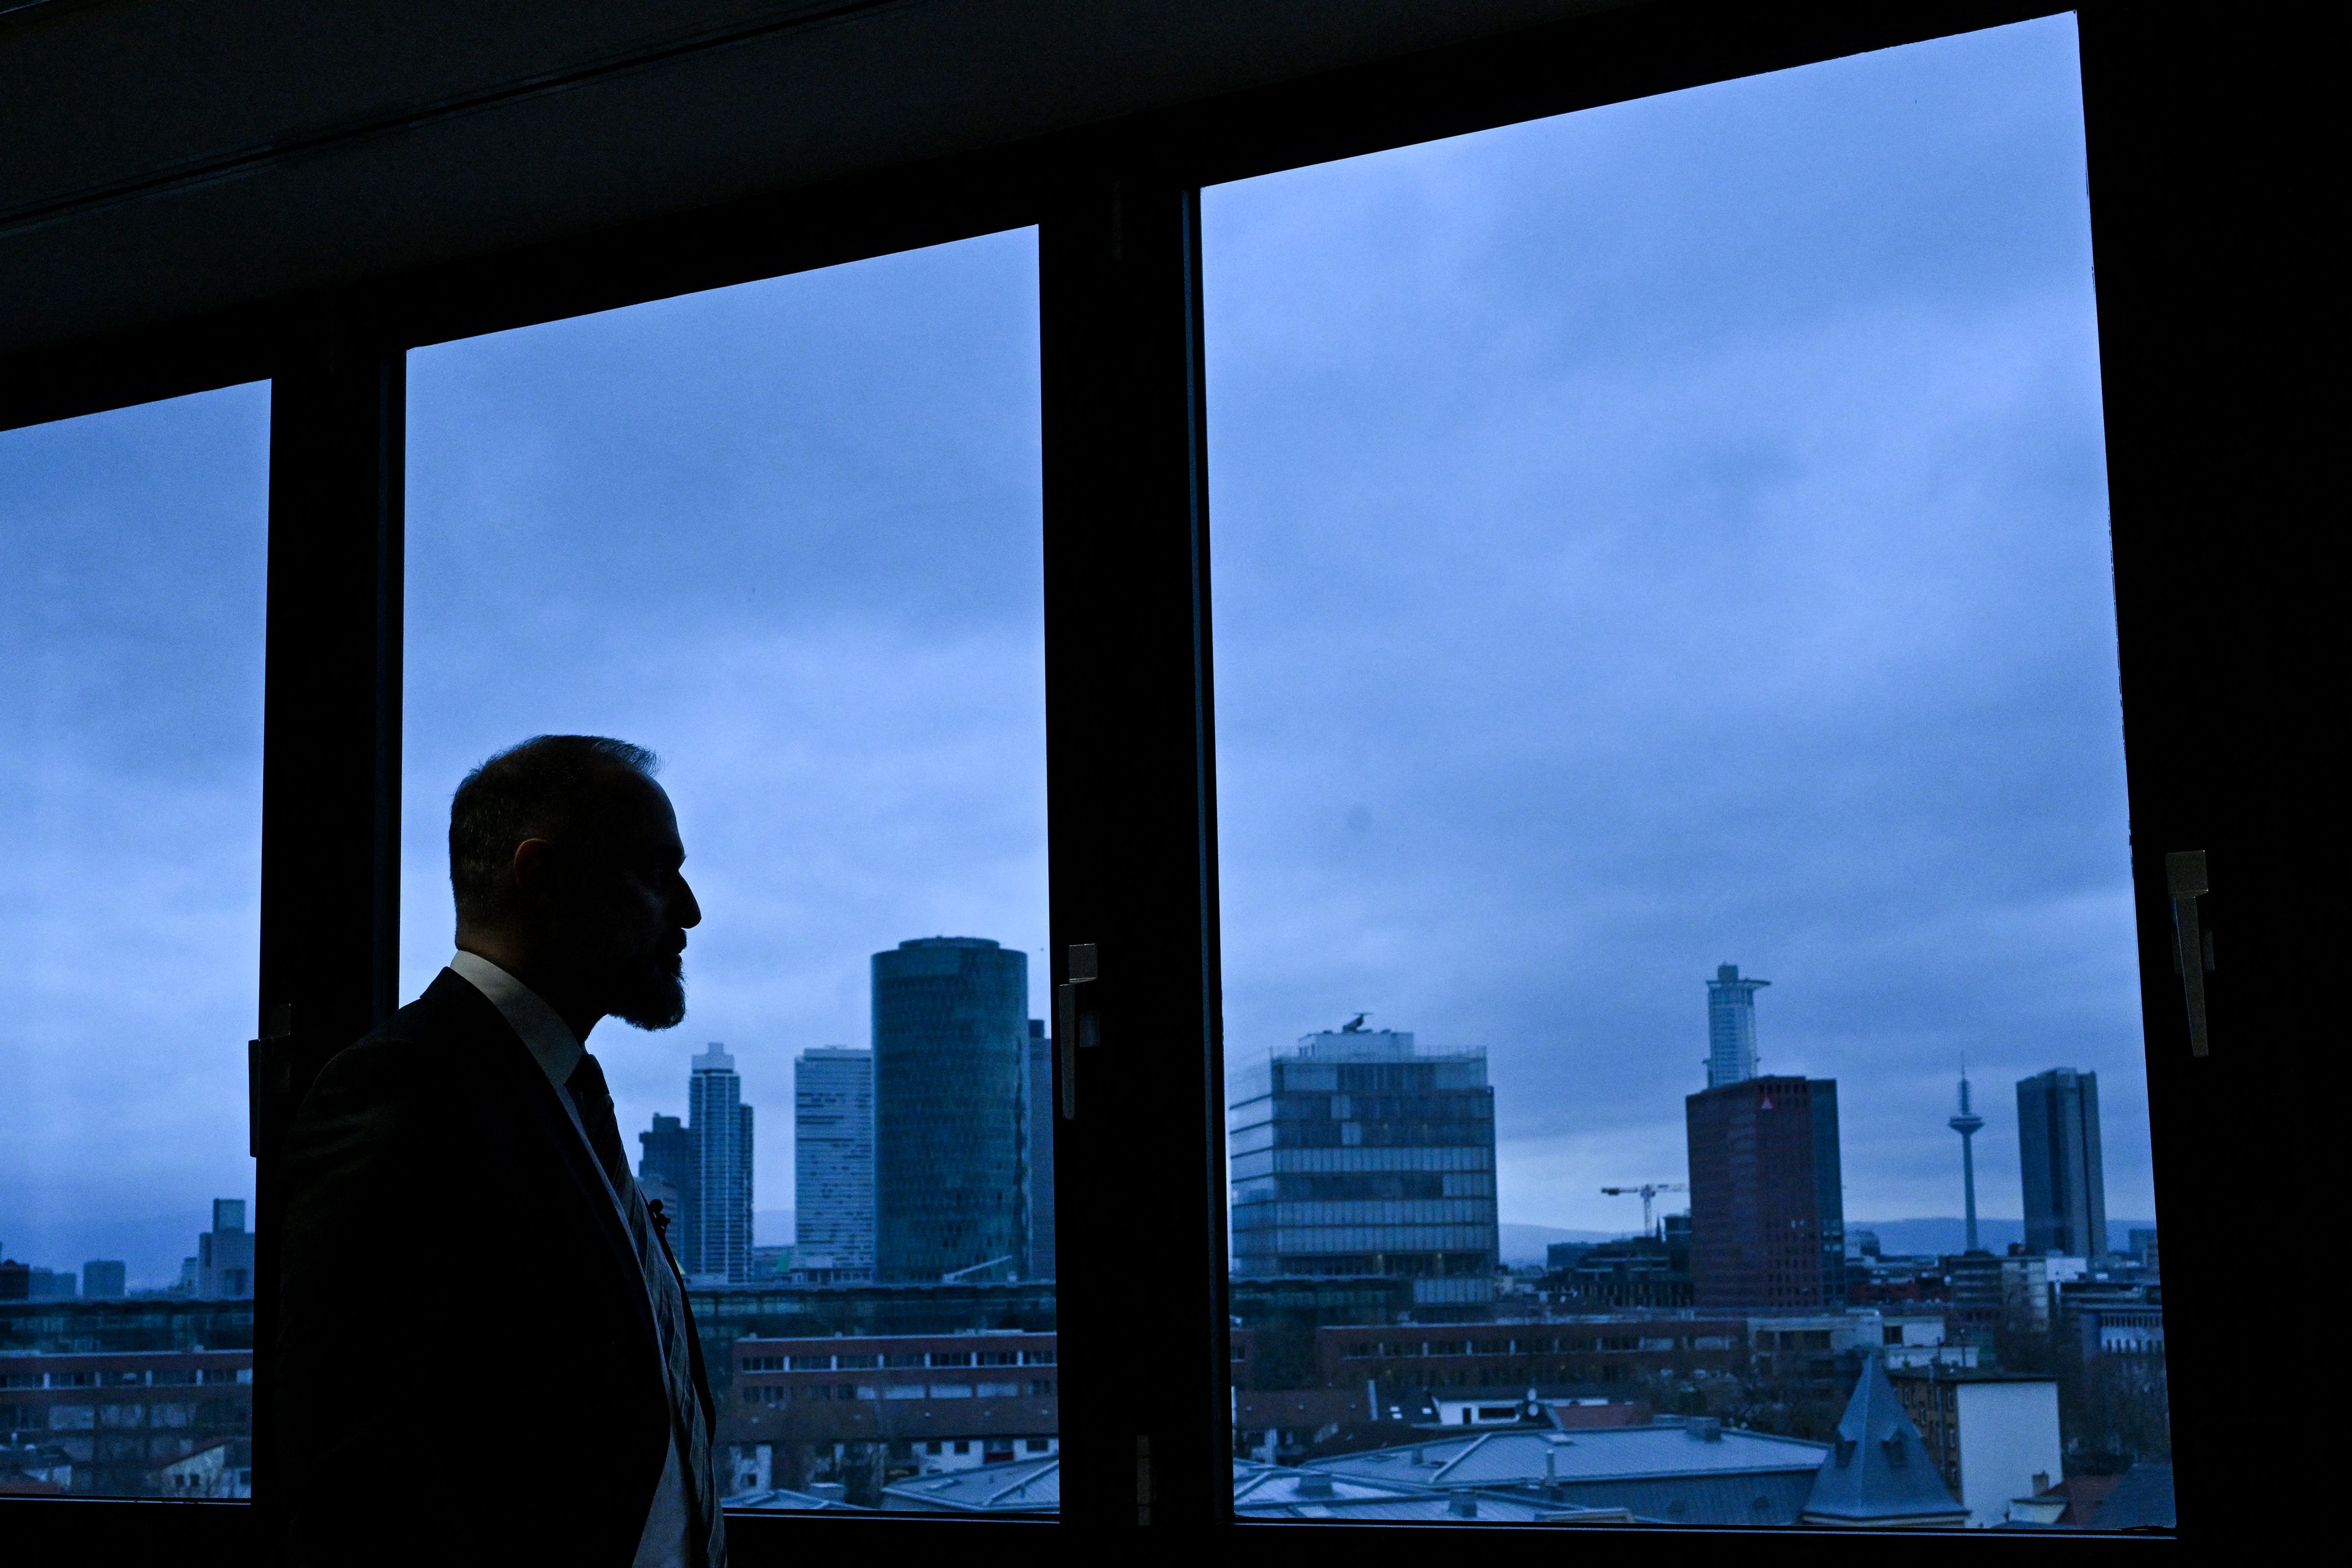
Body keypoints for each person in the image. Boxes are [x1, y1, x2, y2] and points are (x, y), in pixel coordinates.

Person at [277, 735, 724, 1566]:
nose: (690, 910)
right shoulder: (403, 1094)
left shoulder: (547, 1093)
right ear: (542, 876)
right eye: (659, 873)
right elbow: (362, 1483)